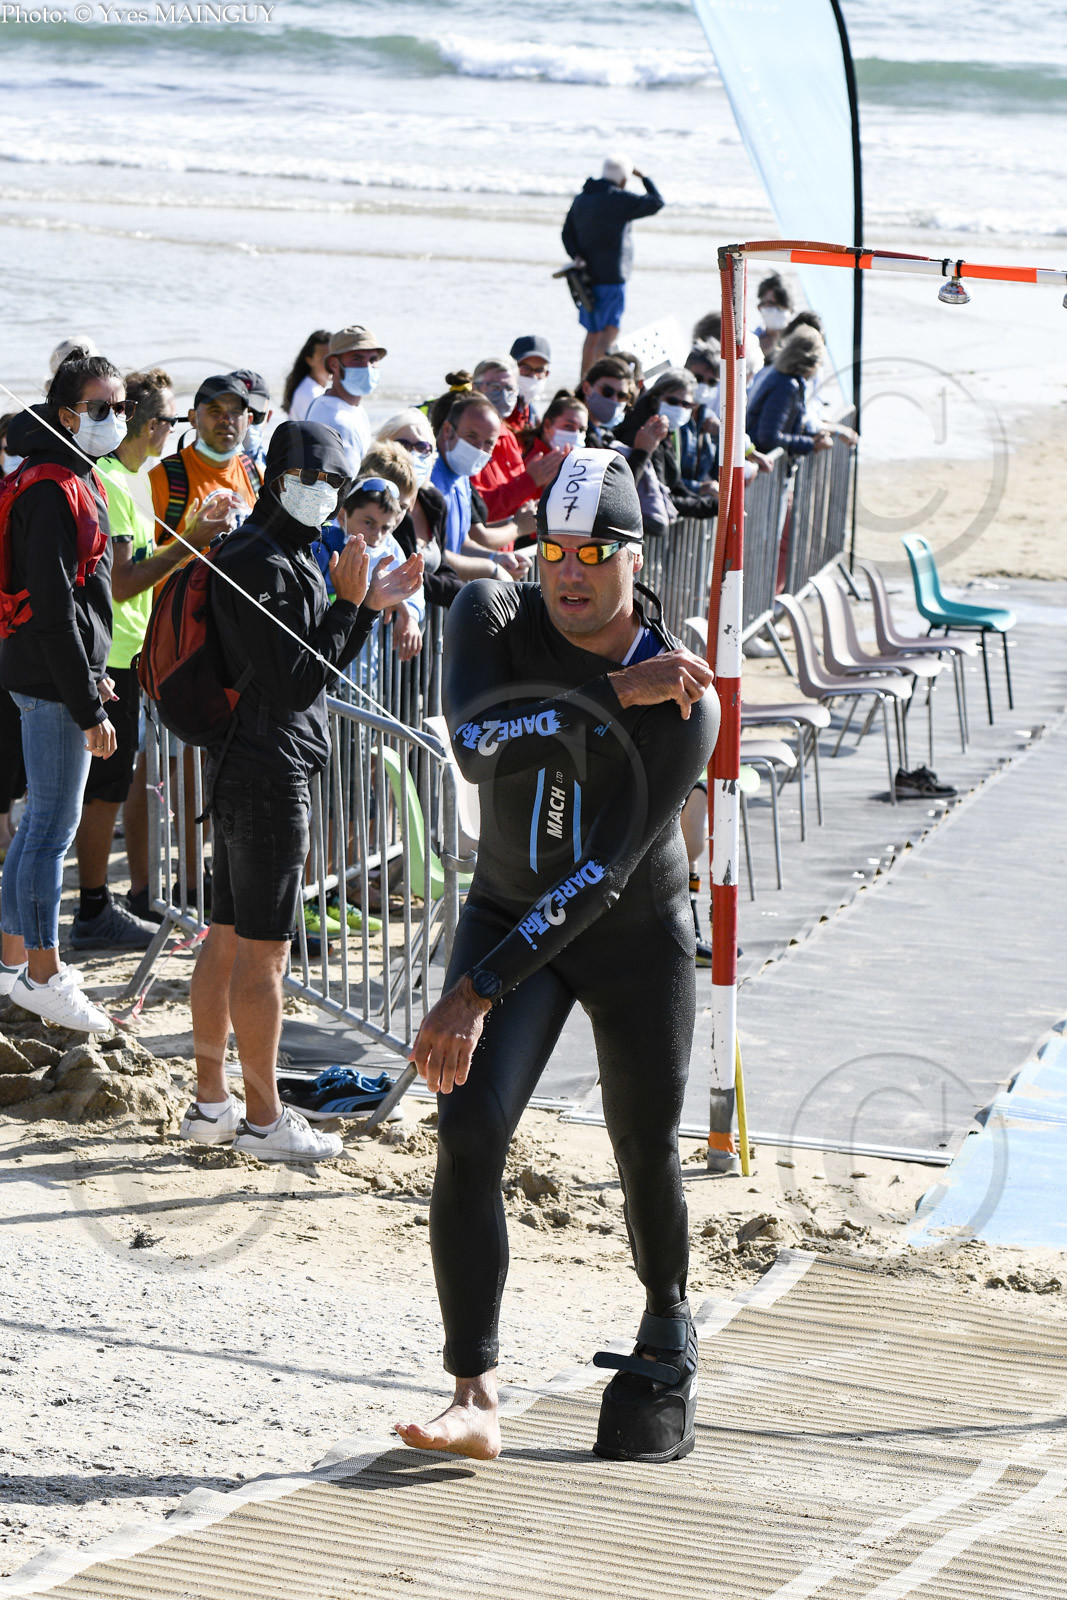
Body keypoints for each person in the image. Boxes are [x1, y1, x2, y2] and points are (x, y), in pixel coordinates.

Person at [395, 448, 718, 1464]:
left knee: (642, 1148)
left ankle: (666, 1320)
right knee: (468, 1130)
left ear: (635, 558)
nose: (568, 572)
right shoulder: (490, 612)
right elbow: (476, 747)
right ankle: (472, 1394)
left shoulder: (687, 694)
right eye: (553, 550)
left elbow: (602, 876)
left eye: (593, 552)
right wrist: (612, 692)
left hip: (630, 937)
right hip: (504, 908)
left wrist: (475, 992)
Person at [182, 421, 423, 1162]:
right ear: (277, 476)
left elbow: (315, 667)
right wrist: (353, 605)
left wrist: (365, 604)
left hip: (248, 764)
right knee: (263, 955)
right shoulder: (263, 559)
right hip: (264, 770)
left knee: (228, 936)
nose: (320, 493)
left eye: (332, 482)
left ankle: (212, 1104)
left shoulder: (280, 551)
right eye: (307, 478)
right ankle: (263, 1119)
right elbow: (294, 685)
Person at [76, 369, 233, 946]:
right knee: (104, 790)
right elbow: (121, 583)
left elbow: (144, 566)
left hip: (132, 655)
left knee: (115, 784)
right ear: (149, 426)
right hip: (111, 657)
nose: (175, 430)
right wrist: (191, 540)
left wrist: (189, 537)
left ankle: (106, 901)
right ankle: (93, 909)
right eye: (171, 420)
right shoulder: (112, 481)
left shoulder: (134, 480)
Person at [0, 351, 123, 1032]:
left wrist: (93, 669)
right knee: (51, 828)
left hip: (51, 672)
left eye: (121, 407)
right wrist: (88, 705)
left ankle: (13, 963)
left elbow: (80, 601)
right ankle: (44, 974)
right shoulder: (49, 487)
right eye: (101, 407)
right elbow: (51, 609)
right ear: (66, 414)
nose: (114, 418)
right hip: (47, 680)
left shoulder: (75, 473)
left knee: (37, 827)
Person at [312, 451, 426, 665]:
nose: (377, 535)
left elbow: (411, 586)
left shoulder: (389, 545)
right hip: (326, 662)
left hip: (367, 667)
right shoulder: (322, 546)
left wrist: (409, 613)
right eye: (369, 523)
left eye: (385, 528)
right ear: (343, 516)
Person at [377, 409, 498, 597]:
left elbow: (442, 565)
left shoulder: (433, 501)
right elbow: (406, 575)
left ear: (432, 454)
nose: (412, 454)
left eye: (422, 447)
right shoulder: (377, 502)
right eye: (403, 445)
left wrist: (469, 596)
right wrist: (469, 594)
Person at [561, 156, 665, 375]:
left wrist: (576, 255)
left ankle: (584, 382)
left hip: (585, 276)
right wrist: (644, 177)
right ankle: (599, 379)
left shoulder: (582, 198)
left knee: (592, 333)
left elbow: (566, 233)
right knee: (610, 331)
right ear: (624, 179)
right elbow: (657, 202)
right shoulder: (619, 199)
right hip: (612, 277)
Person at [429, 389, 527, 579]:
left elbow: (462, 544)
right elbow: (431, 556)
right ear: (448, 430)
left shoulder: (461, 475)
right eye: (472, 436)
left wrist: (498, 558)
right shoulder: (427, 477)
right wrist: (490, 569)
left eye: (488, 442)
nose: (479, 449)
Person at [149, 372, 257, 545]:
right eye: (215, 411)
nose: (227, 420)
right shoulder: (161, 480)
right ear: (193, 418)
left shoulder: (256, 476)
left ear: (249, 420)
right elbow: (140, 558)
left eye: (235, 412)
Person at [613, 369, 716, 535]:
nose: (679, 408)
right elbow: (662, 496)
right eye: (672, 401)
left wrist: (713, 501)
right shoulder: (640, 434)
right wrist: (714, 506)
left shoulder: (666, 434)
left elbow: (675, 485)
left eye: (686, 405)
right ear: (655, 400)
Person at [470, 359, 567, 527]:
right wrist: (530, 480)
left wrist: (548, 485)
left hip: (510, 537)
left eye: (510, 389)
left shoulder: (508, 436)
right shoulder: (468, 439)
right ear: (475, 388)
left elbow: (522, 503)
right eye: (494, 387)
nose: (503, 395)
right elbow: (478, 511)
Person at [306, 324, 386, 477]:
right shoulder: (340, 423)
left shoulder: (323, 402)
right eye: (357, 359)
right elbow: (348, 484)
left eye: (373, 359)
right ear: (334, 364)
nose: (367, 367)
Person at [745, 329, 836, 457]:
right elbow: (768, 437)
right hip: (762, 460)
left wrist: (812, 437)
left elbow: (785, 427)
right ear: (810, 363)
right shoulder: (786, 386)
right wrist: (811, 444)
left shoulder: (782, 378)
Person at [578, 356, 634, 448]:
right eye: (607, 391)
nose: (614, 400)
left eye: (621, 396)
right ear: (586, 388)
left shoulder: (602, 433)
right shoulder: (575, 431)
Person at [229, 369, 272, 475]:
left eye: (256, 415)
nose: (247, 422)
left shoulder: (278, 470)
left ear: (268, 417)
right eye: (236, 413)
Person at [282, 329, 331, 421]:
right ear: (309, 360)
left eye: (332, 358)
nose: (330, 364)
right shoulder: (312, 395)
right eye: (324, 359)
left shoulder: (308, 386)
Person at [509, 335, 552, 429]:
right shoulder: (501, 408)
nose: (532, 376)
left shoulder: (533, 414)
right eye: (526, 368)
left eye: (539, 370)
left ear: (547, 374)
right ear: (511, 368)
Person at [754, 273, 794, 362]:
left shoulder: (800, 342)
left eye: (780, 306)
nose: (775, 310)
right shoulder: (751, 341)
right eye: (770, 304)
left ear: (790, 309)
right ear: (760, 307)